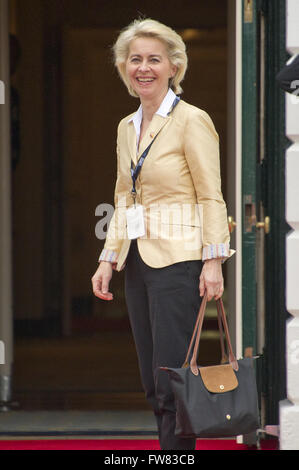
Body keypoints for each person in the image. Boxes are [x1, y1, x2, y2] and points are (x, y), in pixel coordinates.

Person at [91, 18, 233, 450]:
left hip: (180, 261)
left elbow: (211, 196)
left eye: (154, 59)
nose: (144, 68)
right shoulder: (125, 126)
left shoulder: (192, 120)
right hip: (138, 260)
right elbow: (123, 194)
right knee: (153, 379)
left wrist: (213, 260)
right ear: (123, 67)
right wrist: (107, 259)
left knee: (173, 374)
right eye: (135, 59)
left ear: (174, 66)